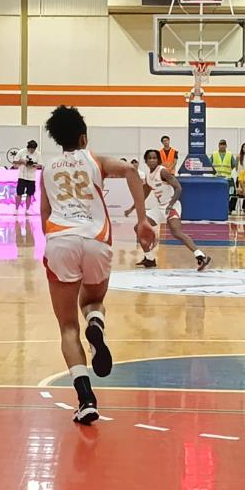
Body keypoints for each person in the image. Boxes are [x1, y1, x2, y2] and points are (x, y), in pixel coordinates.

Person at [41, 106, 155, 425]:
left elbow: (44, 214)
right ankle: (97, 323)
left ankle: (86, 399)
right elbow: (133, 172)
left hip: (61, 239)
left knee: (67, 328)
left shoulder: (48, 169)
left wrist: (52, 248)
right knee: (93, 301)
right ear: (83, 137)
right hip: (95, 239)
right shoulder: (96, 160)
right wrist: (142, 220)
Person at [131, 149, 210, 270]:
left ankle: (201, 255)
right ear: (146, 161)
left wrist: (171, 204)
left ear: (158, 160)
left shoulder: (163, 172)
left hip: (171, 205)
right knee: (138, 227)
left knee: (176, 232)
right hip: (159, 208)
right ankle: (150, 258)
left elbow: (178, 188)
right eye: (150, 158)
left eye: (155, 158)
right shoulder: (148, 177)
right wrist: (132, 207)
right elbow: (143, 194)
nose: (152, 160)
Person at [13, 140, 40, 212]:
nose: (32, 150)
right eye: (31, 149)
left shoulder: (38, 154)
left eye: (34, 149)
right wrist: (22, 161)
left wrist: (34, 164)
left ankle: (27, 209)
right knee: (19, 193)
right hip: (22, 175)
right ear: (28, 147)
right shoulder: (22, 151)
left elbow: (40, 165)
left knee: (29, 194)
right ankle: (16, 208)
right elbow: (14, 161)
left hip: (31, 177)